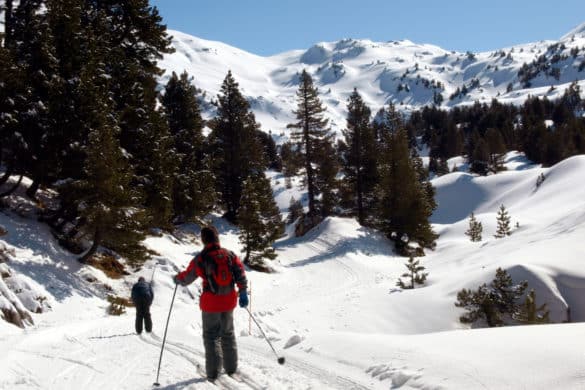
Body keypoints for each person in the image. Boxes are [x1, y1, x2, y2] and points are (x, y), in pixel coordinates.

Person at [174, 226, 248, 381]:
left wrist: (178, 278)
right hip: (229, 300)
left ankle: (213, 372)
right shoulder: (230, 255)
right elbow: (240, 273)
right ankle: (231, 368)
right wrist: (242, 292)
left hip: (211, 303)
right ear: (217, 238)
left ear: (203, 240)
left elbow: (187, 277)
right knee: (228, 333)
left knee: (212, 336)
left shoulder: (201, 258)